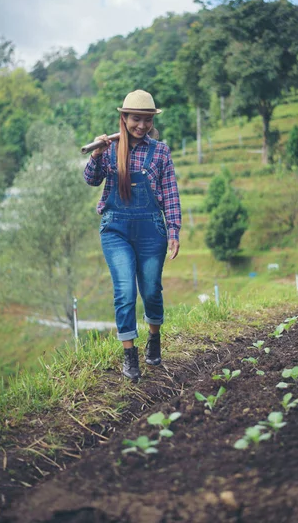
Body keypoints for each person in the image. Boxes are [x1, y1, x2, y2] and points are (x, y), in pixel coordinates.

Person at [83, 89, 181, 381]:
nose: (141, 125)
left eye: (147, 120)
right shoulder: (109, 148)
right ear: (123, 118)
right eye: (136, 119)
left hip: (152, 229)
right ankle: (130, 354)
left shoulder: (160, 151)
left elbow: (170, 193)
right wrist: (97, 155)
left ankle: (154, 337)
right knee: (125, 291)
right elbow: (91, 180)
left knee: (151, 290)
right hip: (116, 229)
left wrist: (174, 230)